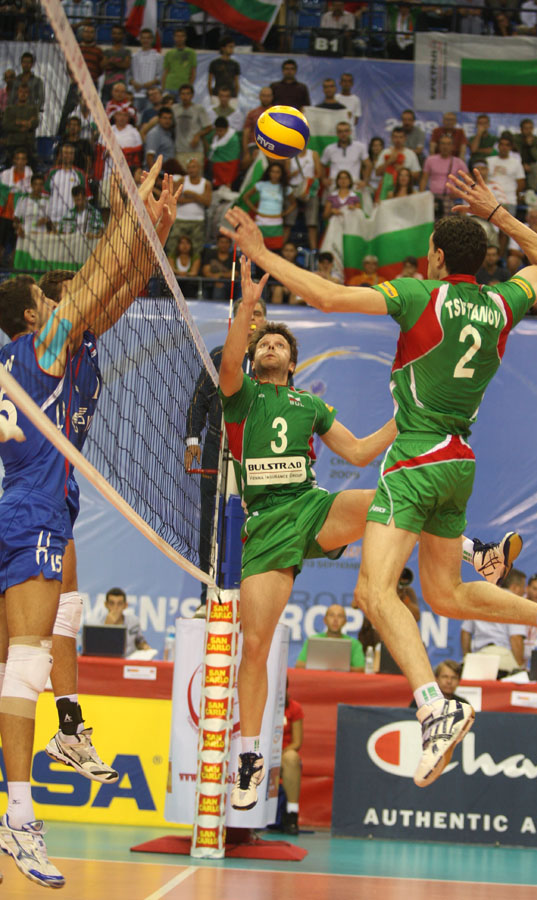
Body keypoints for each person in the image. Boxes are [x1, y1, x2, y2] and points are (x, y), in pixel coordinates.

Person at [221, 169, 537, 792]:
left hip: (417, 458)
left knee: (373, 594)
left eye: (430, 250)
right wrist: (498, 213)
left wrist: (262, 254)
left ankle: (433, 707)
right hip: (458, 463)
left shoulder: (420, 295)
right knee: (445, 594)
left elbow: (328, 297)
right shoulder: (502, 302)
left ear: (439, 257)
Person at [0, 158, 179, 886]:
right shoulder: (42, 351)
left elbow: (115, 287)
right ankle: (20, 819)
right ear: (35, 316)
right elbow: (97, 279)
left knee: (22, 654)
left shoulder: (50, 353)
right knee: (25, 662)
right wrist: (126, 213)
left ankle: (62, 740)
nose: (64, 301)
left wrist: (151, 234)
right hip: (33, 510)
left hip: (27, 507)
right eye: (52, 299)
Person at [220, 259, 397, 809]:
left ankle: (471, 552)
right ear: (254, 358)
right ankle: (250, 758)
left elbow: (361, 452)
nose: (270, 347)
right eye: (263, 345)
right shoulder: (240, 395)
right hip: (265, 524)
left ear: (293, 363)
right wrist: (248, 308)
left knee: (391, 497)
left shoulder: (311, 405)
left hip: (310, 505)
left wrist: (408, 417)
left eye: (279, 345)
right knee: (255, 645)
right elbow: (228, 360)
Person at [185, 295, 268, 605]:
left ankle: (247, 600)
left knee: (254, 524)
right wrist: (192, 439)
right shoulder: (221, 355)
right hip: (216, 447)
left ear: (265, 321)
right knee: (211, 522)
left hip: (254, 455)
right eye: (248, 313)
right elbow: (199, 400)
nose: (253, 318)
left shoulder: (270, 361)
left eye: (258, 313)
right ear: (236, 321)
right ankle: (207, 596)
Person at [240, 162, 294, 251]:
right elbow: (245, 197)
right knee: (258, 248)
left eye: (277, 172)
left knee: (275, 248)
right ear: (269, 173)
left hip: (276, 222)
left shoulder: (285, 188)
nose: (275, 174)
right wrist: (255, 210)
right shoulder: (261, 185)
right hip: (261, 220)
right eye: (272, 171)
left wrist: (284, 213)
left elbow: (293, 204)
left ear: (281, 174)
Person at [295, 604, 366, 671]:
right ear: (325, 620)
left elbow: (361, 669)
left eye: (340, 616)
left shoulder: (354, 644)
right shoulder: (312, 640)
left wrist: (338, 668)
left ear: (345, 622)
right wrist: (326, 667)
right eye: (332, 615)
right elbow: (299, 665)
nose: (335, 620)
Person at [90, 588, 151, 656]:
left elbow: (139, 640)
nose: (115, 607)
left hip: (128, 659)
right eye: (111, 603)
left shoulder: (134, 622)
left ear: (125, 605)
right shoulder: (95, 624)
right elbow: (94, 648)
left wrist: (144, 646)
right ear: (106, 604)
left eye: (119, 604)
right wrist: (107, 626)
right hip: (106, 660)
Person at [461, 613, 526, 673]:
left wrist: (468, 656)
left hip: (479, 657)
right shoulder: (513, 606)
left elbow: (465, 631)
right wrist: (520, 666)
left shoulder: (477, 606)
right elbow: (516, 638)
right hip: (503, 656)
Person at [321, 121, 370, 193]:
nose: (343, 134)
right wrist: (323, 179)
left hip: (354, 184)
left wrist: (365, 181)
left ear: (350, 132)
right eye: (340, 131)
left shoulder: (360, 147)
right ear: (337, 133)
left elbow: (368, 165)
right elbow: (322, 164)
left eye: (346, 131)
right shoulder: (329, 149)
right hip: (334, 184)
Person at [280, 682, 303, 835]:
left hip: (284, 752)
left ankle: (292, 813)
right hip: (262, 751)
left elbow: (297, 742)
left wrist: (280, 753)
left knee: (292, 758)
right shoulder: (261, 703)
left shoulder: (294, 708)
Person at [172, 83, 211, 170]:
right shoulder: (174, 108)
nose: (185, 96)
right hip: (180, 151)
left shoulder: (199, 109)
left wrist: (198, 135)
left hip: (196, 151)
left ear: (192, 95)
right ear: (179, 95)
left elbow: (209, 127)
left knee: (197, 177)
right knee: (180, 177)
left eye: (188, 94)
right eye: (183, 94)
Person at [130, 28, 163, 115]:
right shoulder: (134, 56)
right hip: (136, 93)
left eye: (148, 38)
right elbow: (129, 75)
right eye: (143, 38)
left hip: (151, 95)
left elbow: (160, 75)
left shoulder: (158, 57)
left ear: (152, 40)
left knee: (150, 116)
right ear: (140, 39)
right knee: (135, 116)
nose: (145, 40)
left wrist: (151, 83)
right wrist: (133, 82)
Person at [101, 25, 131, 104]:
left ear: (123, 35)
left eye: (119, 33)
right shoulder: (107, 51)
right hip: (107, 84)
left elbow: (126, 65)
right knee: (104, 107)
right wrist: (119, 63)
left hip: (120, 85)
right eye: (114, 33)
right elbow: (103, 65)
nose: (116, 35)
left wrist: (111, 61)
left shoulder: (126, 51)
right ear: (111, 35)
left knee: (120, 107)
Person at [162, 28, 196, 97]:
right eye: (177, 36)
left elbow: (193, 72)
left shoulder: (191, 53)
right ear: (174, 38)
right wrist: (163, 88)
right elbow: (165, 72)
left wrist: (190, 86)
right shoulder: (169, 53)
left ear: (185, 37)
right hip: (169, 86)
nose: (179, 38)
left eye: (181, 36)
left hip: (184, 88)